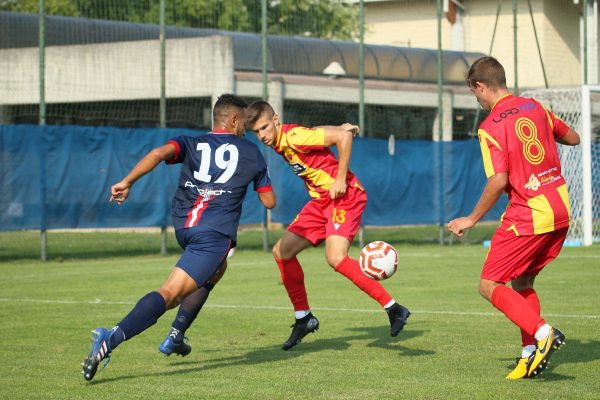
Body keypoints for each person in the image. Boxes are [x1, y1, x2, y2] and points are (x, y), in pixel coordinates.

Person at [81, 94, 276, 381]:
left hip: (185, 226)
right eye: (244, 123)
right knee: (170, 294)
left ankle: (176, 335)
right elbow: (269, 202)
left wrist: (127, 182)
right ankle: (109, 339)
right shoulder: (251, 152)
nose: (246, 129)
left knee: (216, 270)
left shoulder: (191, 142)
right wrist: (260, 175)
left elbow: (159, 154)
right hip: (213, 234)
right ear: (234, 120)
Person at [447, 56, 580, 380]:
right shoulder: (535, 107)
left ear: (480, 85)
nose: (476, 100)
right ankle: (529, 355)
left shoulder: (490, 127)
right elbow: (573, 137)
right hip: (560, 208)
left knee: (489, 284)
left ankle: (542, 331)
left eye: (473, 93)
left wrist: (471, 219)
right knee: (523, 282)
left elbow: (499, 180)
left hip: (530, 212)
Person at [246, 100, 411, 351]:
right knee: (282, 251)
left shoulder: (292, 136)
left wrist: (341, 176)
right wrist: (338, 128)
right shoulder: (284, 139)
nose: (262, 135)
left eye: (265, 127)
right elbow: (320, 133)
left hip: (344, 196)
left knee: (335, 257)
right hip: (321, 201)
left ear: (276, 120)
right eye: (257, 131)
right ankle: (304, 318)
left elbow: (343, 138)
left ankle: (394, 309)